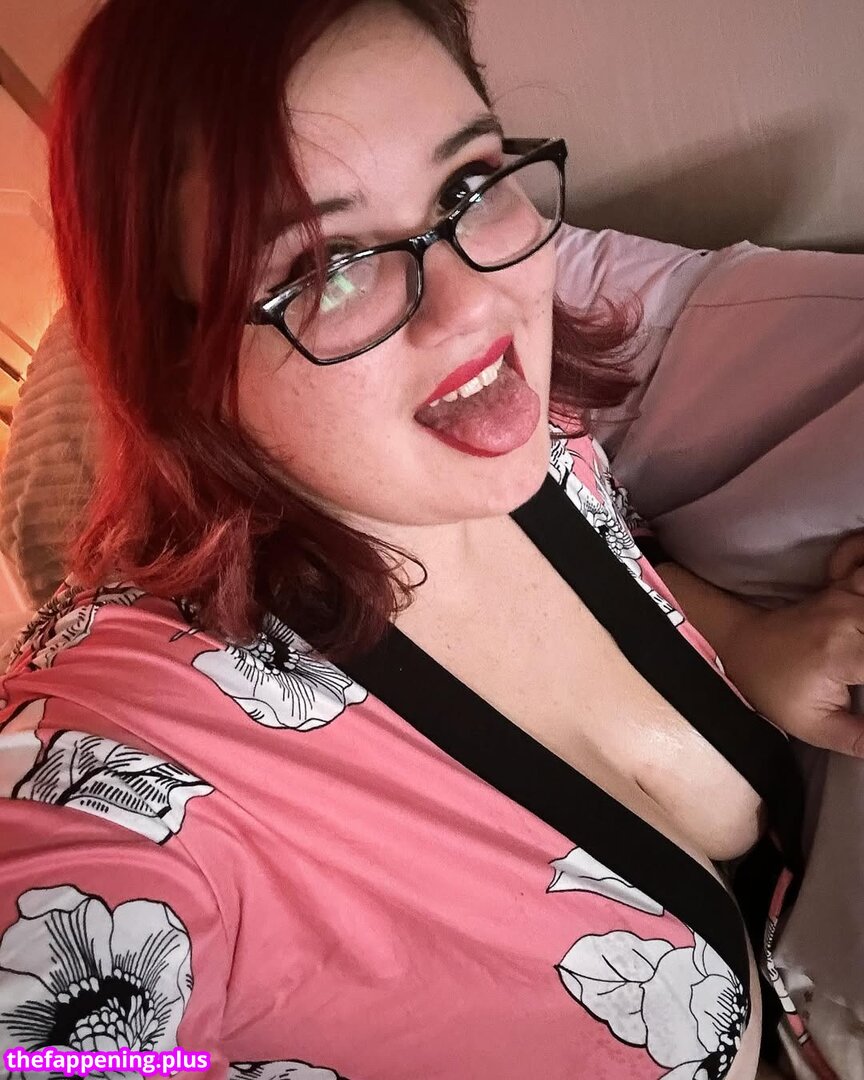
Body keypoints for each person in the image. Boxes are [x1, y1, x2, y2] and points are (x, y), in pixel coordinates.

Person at [1, 1, 862, 1077]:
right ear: (178, 363)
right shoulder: (113, 757)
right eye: (327, 264)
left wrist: (746, 643)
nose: (472, 306)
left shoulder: (522, 429)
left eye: (467, 187)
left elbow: (607, 577)